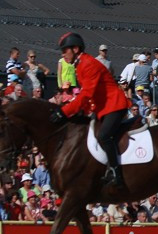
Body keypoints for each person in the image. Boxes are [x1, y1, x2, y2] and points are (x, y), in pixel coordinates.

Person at [50, 32, 130, 195]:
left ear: (76, 48)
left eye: (65, 50)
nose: (63, 54)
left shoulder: (88, 64)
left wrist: (64, 112)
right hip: (102, 107)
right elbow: (89, 96)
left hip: (114, 105)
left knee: (104, 136)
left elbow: (86, 94)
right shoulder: (80, 65)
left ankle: (116, 173)